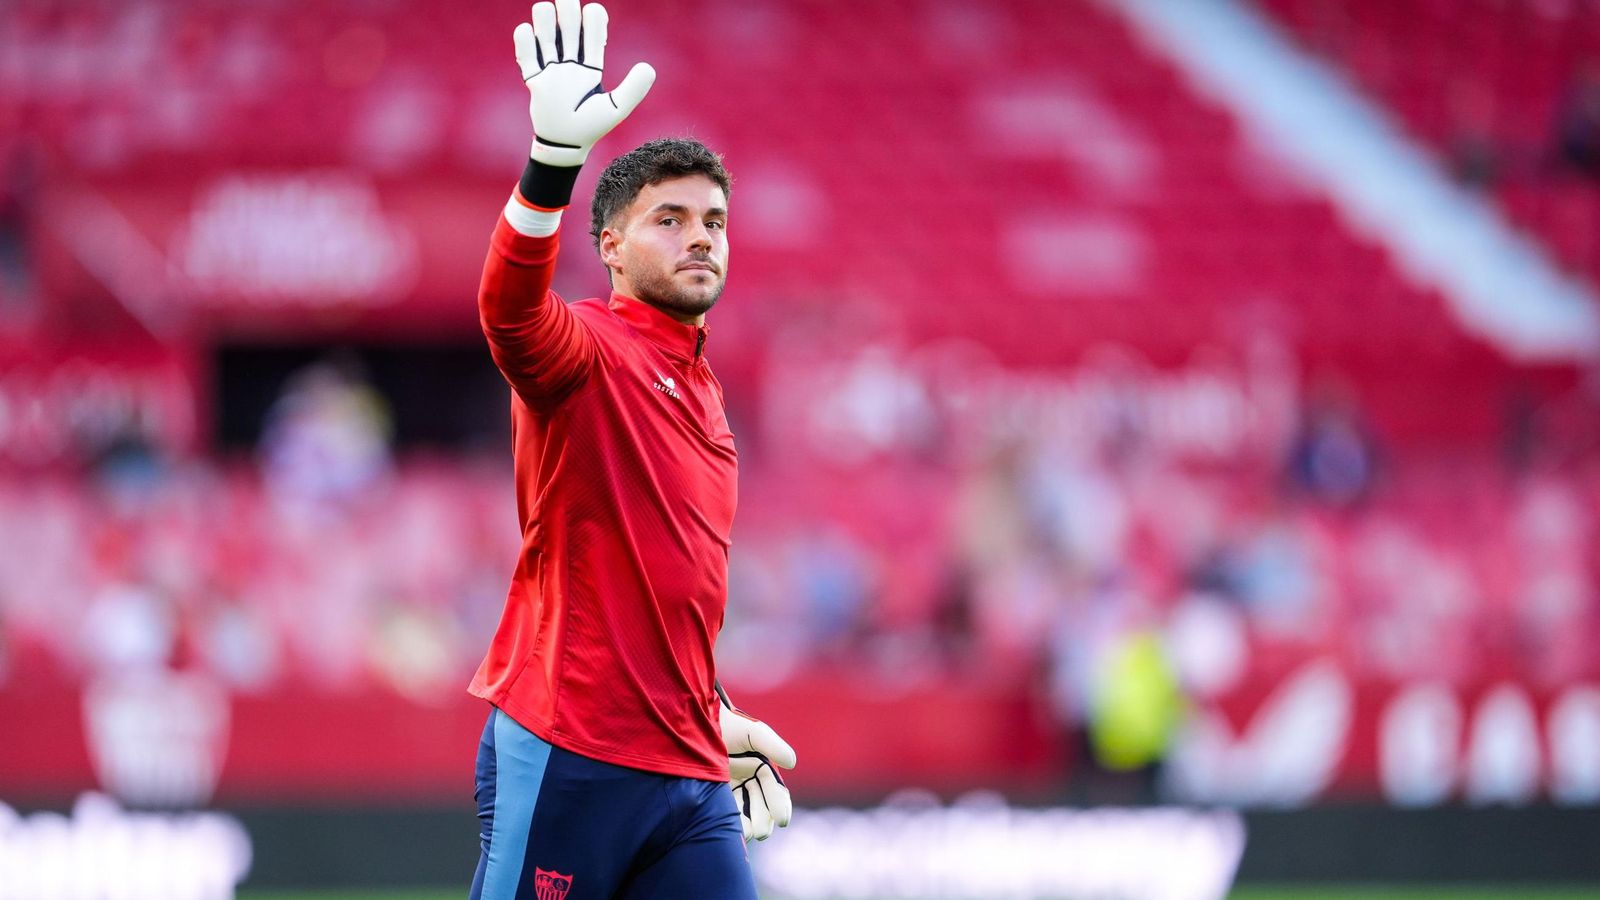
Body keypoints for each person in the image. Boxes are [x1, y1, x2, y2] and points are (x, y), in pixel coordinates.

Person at [466, 3, 796, 899]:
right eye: (671, 218)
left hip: (686, 770)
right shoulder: (589, 349)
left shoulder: (705, 387)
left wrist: (709, 709)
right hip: (568, 749)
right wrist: (550, 166)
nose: (700, 235)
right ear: (609, 246)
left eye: (715, 221)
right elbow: (510, 315)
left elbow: (666, 585)